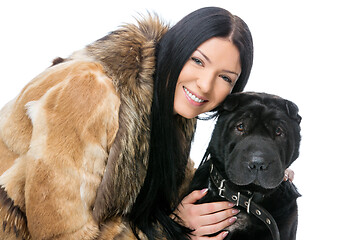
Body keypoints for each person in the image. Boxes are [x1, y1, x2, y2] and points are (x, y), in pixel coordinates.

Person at [0, 6, 256, 240]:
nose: (205, 85)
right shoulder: (91, 92)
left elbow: (173, 192)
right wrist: (171, 230)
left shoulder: (172, 104)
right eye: (198, 61)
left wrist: (263, 171)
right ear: (178, 49)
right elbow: (59, 231)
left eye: (225, 77)